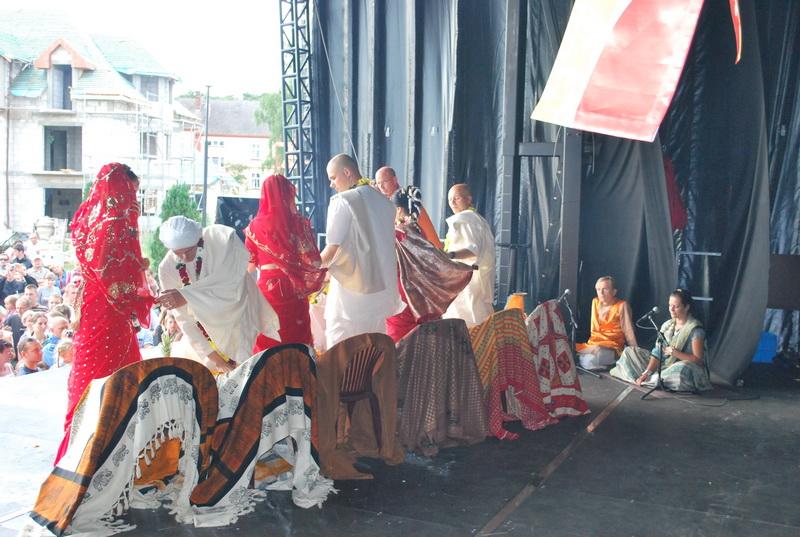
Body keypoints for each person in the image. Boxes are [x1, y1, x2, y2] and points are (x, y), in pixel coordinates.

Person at [57, 162, 154, 464]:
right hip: (108, 308)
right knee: (108, 371)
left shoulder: (91, 219)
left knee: (95, 371)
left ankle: (86, 449)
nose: (133, 200)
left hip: (95, 303)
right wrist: (138, 274)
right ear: (120, 189)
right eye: (131, 192)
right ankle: (103, 452)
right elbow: (111, 273)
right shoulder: (112, 222)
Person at [157, 215, 280, 370]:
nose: (183, 258)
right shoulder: (166, 268)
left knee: (248, 371)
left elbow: (232, 281)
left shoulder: (222, 239)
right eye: (177, 253)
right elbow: (184, 320)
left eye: (188, 251)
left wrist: (187, 296)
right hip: (204, 334)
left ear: (198, 239)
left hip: (241, 318)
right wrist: (216, 359)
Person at [319, 154, 404, 349]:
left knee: (341, 354)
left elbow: (332, 249)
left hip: (350, 296)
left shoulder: (343, 200)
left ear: (347, 172)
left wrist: (307, 266)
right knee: (372, 354)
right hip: (381, 294)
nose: (331, 184)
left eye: (333, 178)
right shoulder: (385, 202)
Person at [244, 174, 326, 352]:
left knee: (268, 337)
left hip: (267, 289)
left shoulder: (254, 227)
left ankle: (268, 369)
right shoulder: (298, 223)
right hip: (294, 287)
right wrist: (294, 263)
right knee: (297, 337)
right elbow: (315, 261)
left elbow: (249, 265)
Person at [386, 188, 474, 341]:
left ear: (398, 210)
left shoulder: (397, 233)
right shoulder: (418, 231)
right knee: (421, 336)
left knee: (399, 337)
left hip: (402, 291)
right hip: (421, 290)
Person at [610, 288, 712, 392]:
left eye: (676, 306)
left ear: (686, 307)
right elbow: (657, 353)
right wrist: (647, 372)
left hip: (685, 367)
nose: (671, 309)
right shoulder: (667, 326)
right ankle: (650, 378)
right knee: (629, 352)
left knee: (682, 369)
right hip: (663, 366)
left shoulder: (695, 330)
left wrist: (676, 354)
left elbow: (698, 359)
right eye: (670, 305)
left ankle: (653, 380)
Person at [441, 183, 496, 327]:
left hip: (466, 282)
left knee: (466, 323)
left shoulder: (465, 219)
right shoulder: (478, 219)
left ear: (469, 199)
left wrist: (449, 255)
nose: (452, 203)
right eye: (450, 200)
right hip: (475, 281)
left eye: (457, 198)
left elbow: (473, 250)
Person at [575, 276, 638, 369]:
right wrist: (592, 346)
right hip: (594, 344)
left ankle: (608, 362)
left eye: (605, 289)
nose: (601, 293)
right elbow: (593, 329)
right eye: (598, 289)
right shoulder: (595, 302)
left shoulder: (622, 305)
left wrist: (635, 353)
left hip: (612, 347)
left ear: (614, 292)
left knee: (590, 360)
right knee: (569, 347)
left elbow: (628, 330)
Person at [375, 166, 442, 248]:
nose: (381, 187)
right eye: (378, 183)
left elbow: (429, 234)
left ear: (394, 180)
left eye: (384, 182)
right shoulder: (381, 203)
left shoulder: (408, 202)